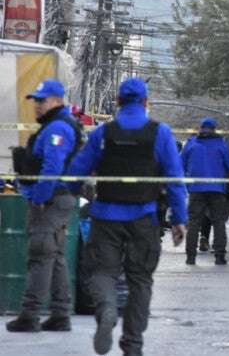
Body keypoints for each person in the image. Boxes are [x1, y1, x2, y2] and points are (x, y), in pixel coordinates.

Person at [65, 78, 188, 356]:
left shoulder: (103, 133)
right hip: (144, 218)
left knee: (102, 272)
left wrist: (69, 195)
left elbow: (77, 169)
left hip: (105, 217)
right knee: (140, 281)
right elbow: (175, 179)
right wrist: (179, 218)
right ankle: (132, 345)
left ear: (118, 102)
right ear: (146, 102)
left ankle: (107, 308)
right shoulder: (160, 133)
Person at [6, 80, 81, 333]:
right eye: (36, 100)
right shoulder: (55, 125)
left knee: (39, 255)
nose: (37, 105)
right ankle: (60, 314)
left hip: (50, 200)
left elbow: (52, 167)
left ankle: (30, 315)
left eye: (42, 100)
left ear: (57, 101)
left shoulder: (57, 128)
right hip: (57, 198)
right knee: (55, 256)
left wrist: (39, 197)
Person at [181, 118, 229, 265]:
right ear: (214, 129)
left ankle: (191, 256)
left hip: (196, 189)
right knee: (218, 222)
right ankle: (219, 256)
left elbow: (180, 165)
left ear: (200, 128)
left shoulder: (190, 144)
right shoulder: (221, 145)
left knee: (194, 223)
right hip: (217, 189)